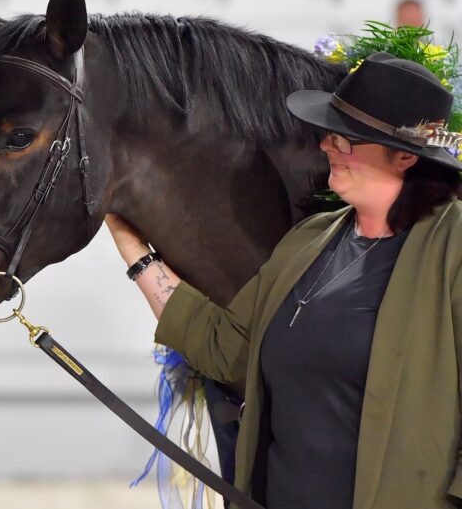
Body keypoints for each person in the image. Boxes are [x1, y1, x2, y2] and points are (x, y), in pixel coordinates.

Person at [107, 52, 462, 508]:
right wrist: (131, 246)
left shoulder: (452, 246)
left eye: (347, 139)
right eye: (330, 133)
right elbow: (226, 348)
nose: (327, 146)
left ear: (404, 157)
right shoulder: (310, 240)